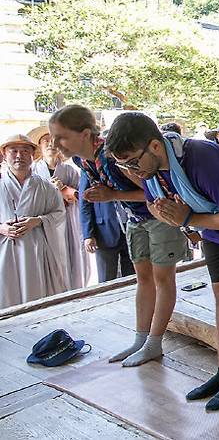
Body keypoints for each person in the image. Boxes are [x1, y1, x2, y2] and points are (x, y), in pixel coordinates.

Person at [105, 112, 219, 411]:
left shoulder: (201, 157)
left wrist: (188, 218)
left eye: (133, 161)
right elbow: (153, 203)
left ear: (155, 147)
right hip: (210, 223)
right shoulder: (152, 169)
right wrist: (170, 215)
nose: (131, 170)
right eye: (124, 164)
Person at [49, 105, 188, 367]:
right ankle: (141, 338)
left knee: (162, 279)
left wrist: (111, 195)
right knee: (143, 279)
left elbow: (153, 190)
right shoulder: (83, 161)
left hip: (159, 218)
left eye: (61, 137)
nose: (55, 143)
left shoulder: (114, 157)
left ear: (85, 134)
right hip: (135, 221)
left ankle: (154, 342)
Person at [0, 134, 68, 309]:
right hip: (5, 252)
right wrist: (2, 228)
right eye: (13, 151)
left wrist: (37, 221)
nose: (19, 156)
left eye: (24, 151)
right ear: (5, 155)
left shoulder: (46, 186)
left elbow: (59, 213)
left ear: (32, 155)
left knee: (36, 297)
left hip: (36, 250)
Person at [29, 126, 91, 290]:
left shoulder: (70, 170)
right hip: (43, 220)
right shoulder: (33, 171)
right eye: (45, 141)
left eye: (53, 141)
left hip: (68, 218)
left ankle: (71, 287)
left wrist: (64, 189)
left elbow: (83, 196)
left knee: (70, 253)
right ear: (40, 147)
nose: (50, 144)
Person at [79, 171, 135, 283]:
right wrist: (88, 235)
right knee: (106, 279)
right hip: (104, 230)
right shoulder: (88, 168)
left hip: (131, 225)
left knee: (134, 277)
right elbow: (84, 203)